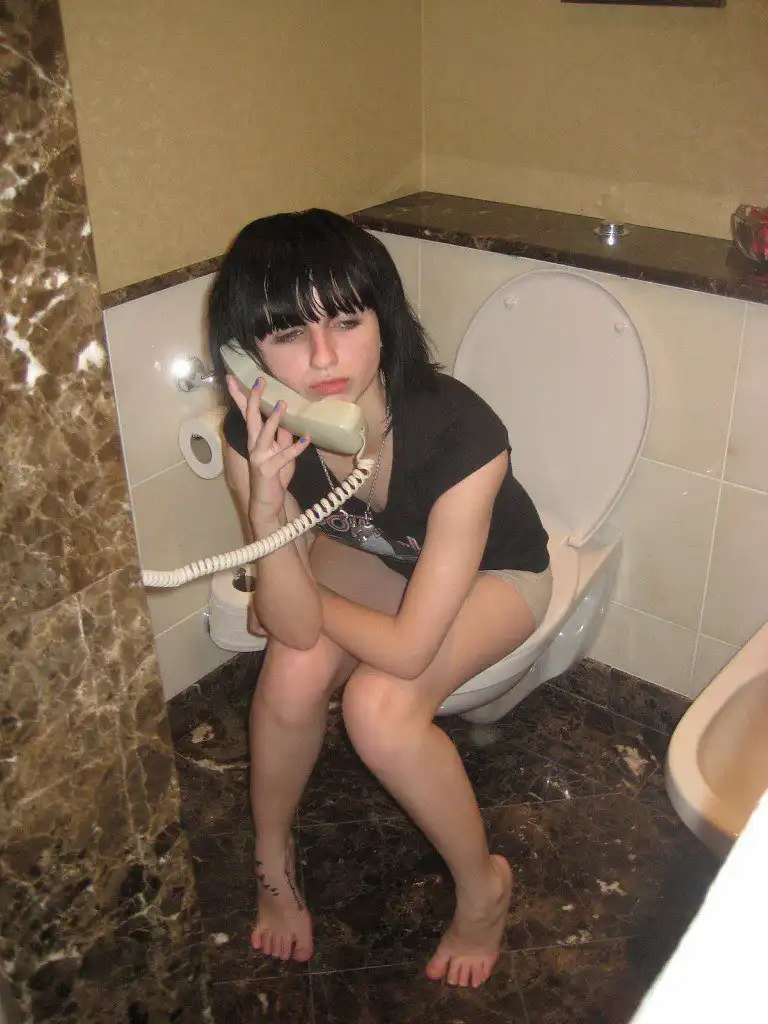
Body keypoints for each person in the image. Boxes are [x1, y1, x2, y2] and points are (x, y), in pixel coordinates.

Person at [208, 209, 552, 989]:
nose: (324, 357)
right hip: (376, 550)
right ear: (247, 356)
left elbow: (403, 648)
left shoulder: (462, 435)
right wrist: (266, 509)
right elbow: (293, 630)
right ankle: (272, 861)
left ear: (383, 320)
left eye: (346, 321)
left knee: (378, 707)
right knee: (291, 673)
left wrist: (290, 591)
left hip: (499, 572)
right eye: (288, 333)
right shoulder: (254, 437)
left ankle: (483, 889)